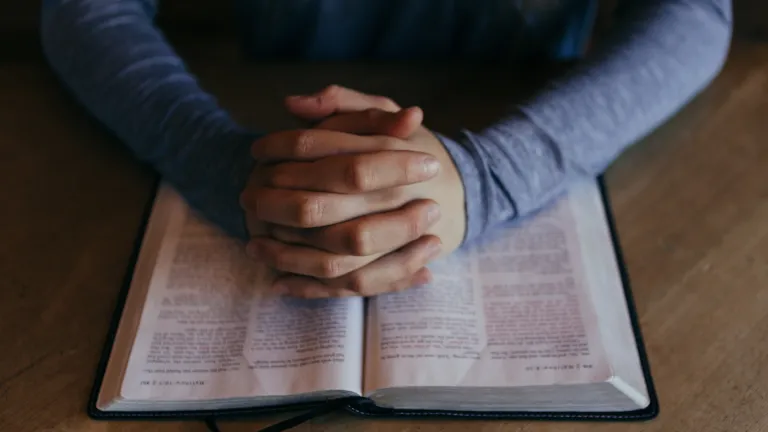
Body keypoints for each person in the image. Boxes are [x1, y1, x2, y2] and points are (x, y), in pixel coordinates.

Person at [40, 0, 733, 298]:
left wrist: (487, 179)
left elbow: (696, 13)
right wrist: (230, 165)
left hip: (519, 117)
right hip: (268, 122)